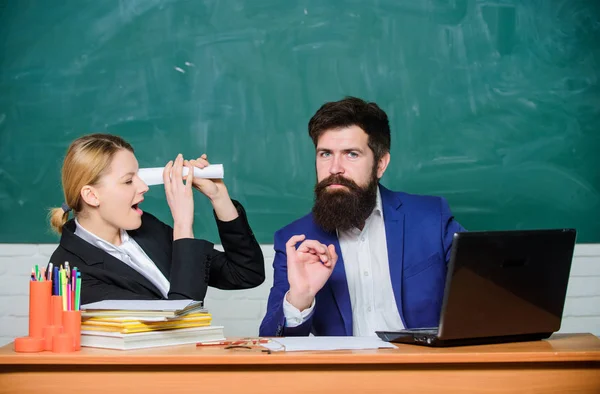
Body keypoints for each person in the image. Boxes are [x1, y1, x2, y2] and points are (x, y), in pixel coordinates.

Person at [260, 97, 465, 337]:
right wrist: (299, 300)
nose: (335, 168)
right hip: (345, 372)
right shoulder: (295, 240)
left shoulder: (431, 217)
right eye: (325, 154)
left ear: (380, 164)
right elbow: (271, 343)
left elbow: (484, 294)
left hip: (423, 367)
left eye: (351, 154)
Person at [48, 133, 264, 305]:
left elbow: (245, 273)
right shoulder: (68, 273)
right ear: (92, 195)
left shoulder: (147, 230)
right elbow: (176, 324)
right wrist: (182, 225)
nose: (143, 187)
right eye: (128, 181)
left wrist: (219, 196)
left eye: (138, 177)